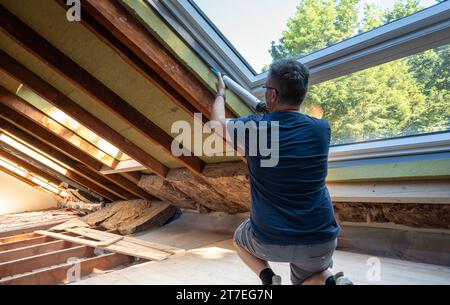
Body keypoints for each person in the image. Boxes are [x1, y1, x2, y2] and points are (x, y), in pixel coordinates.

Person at [211, 59, 351, 285]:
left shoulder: (255, 130)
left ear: (273, 95)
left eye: (266, 88)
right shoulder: (321, 129)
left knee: (239, 237)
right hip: (321, 239)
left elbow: (217, 124)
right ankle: (329, 281)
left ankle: (269, 279)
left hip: (269, 241)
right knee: (313, 274)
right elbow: (288, 128)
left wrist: (221, 94)